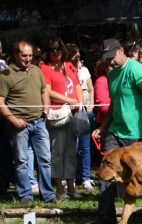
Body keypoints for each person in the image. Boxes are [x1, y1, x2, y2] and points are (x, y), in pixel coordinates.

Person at [92, 38, 142, 224]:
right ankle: (105, 218)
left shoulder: (138, 70)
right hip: (115, 132)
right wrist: (103, 128)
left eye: (112, 57)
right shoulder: (111, 75)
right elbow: (114, 104)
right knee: (106, 171)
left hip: (137, 135)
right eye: (106, 59)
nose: (110, 62)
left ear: (121, 50)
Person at [0, 40, 59, 204]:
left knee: (45, 159)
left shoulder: (36, 70)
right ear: (15, 55)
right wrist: (13, 119)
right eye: (24, 55)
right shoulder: (6, 75)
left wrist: (46, 111)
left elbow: (44, 92)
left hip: (39, 122)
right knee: (21, 161)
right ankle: (25, 195)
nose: (27, 59)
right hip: (19, 124)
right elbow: (0, 101)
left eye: (30, 56)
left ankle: (48, 194)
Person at [40, 38, 84, 200]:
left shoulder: (69, 65)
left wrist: (79, 102)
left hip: (73, 113)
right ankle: (60, 188)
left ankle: (71, 187)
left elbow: (78, 86)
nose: (56, 51)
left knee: (71, 152)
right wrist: (69, 101)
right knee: (57, 152)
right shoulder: (44, 68)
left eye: (59, 48)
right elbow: (47, 91)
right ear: (47, 52)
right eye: (52, 49)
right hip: (57, 115)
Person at [66, 44, 95, 190]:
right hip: (69, 113)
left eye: (78, 55)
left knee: (85, 147)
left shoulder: (84, 70)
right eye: (75, 55)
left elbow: (91, 88)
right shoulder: (64, 70)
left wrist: (90, 106)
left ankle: (85, 177)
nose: (77, 57)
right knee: (72, 147)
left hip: (85, 112)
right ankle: (70, 177)